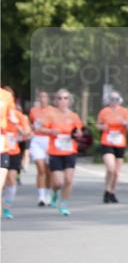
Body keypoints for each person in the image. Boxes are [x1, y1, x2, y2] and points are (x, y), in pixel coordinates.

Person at [38, 88, 83, 217]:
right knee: (58, 182)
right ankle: (55, 192)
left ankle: (64, 204)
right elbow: (40, 129)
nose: (62, 101)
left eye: (65, 98)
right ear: (56, 100)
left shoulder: (74, 116)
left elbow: (78, 131)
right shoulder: (51, 114)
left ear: (69, 101)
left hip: (70, 151)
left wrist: (78, 134)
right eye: (59, 98)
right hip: (55, 152)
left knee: (68, 179)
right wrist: (51, 132)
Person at [96, 91, 128, 203]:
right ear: (109, 100)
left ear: (119, 100)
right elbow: (97, 125)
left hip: (120, 142)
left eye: (116, 99)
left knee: (116, 172)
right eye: (112, 99)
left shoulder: (124, 112)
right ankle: (107, 190)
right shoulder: (104, 112)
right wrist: (103, 127)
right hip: (107, 141)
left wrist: (126, 124)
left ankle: (112, 192)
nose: (114, 101)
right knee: (110, 168)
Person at [2, 87, 31, 219]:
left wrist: (18, 127)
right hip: (2, 148)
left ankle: (7, 207)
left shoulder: (19, 116)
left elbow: (27, 133)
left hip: (13, 151)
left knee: (11, 179)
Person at [29, 90, 53, 206]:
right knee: (41, 169)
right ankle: (41, 197)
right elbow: (30, 125)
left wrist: (44, 129)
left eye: (45, 97)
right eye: (41, 97)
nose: (43, 99)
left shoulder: (53, 111)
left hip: (49, 141)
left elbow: (56, 128)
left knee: (49, 171)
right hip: (37, 141)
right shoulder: (34, 111)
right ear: (38, 98)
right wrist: (32, 128)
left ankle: (48, 193)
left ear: (48, 99)